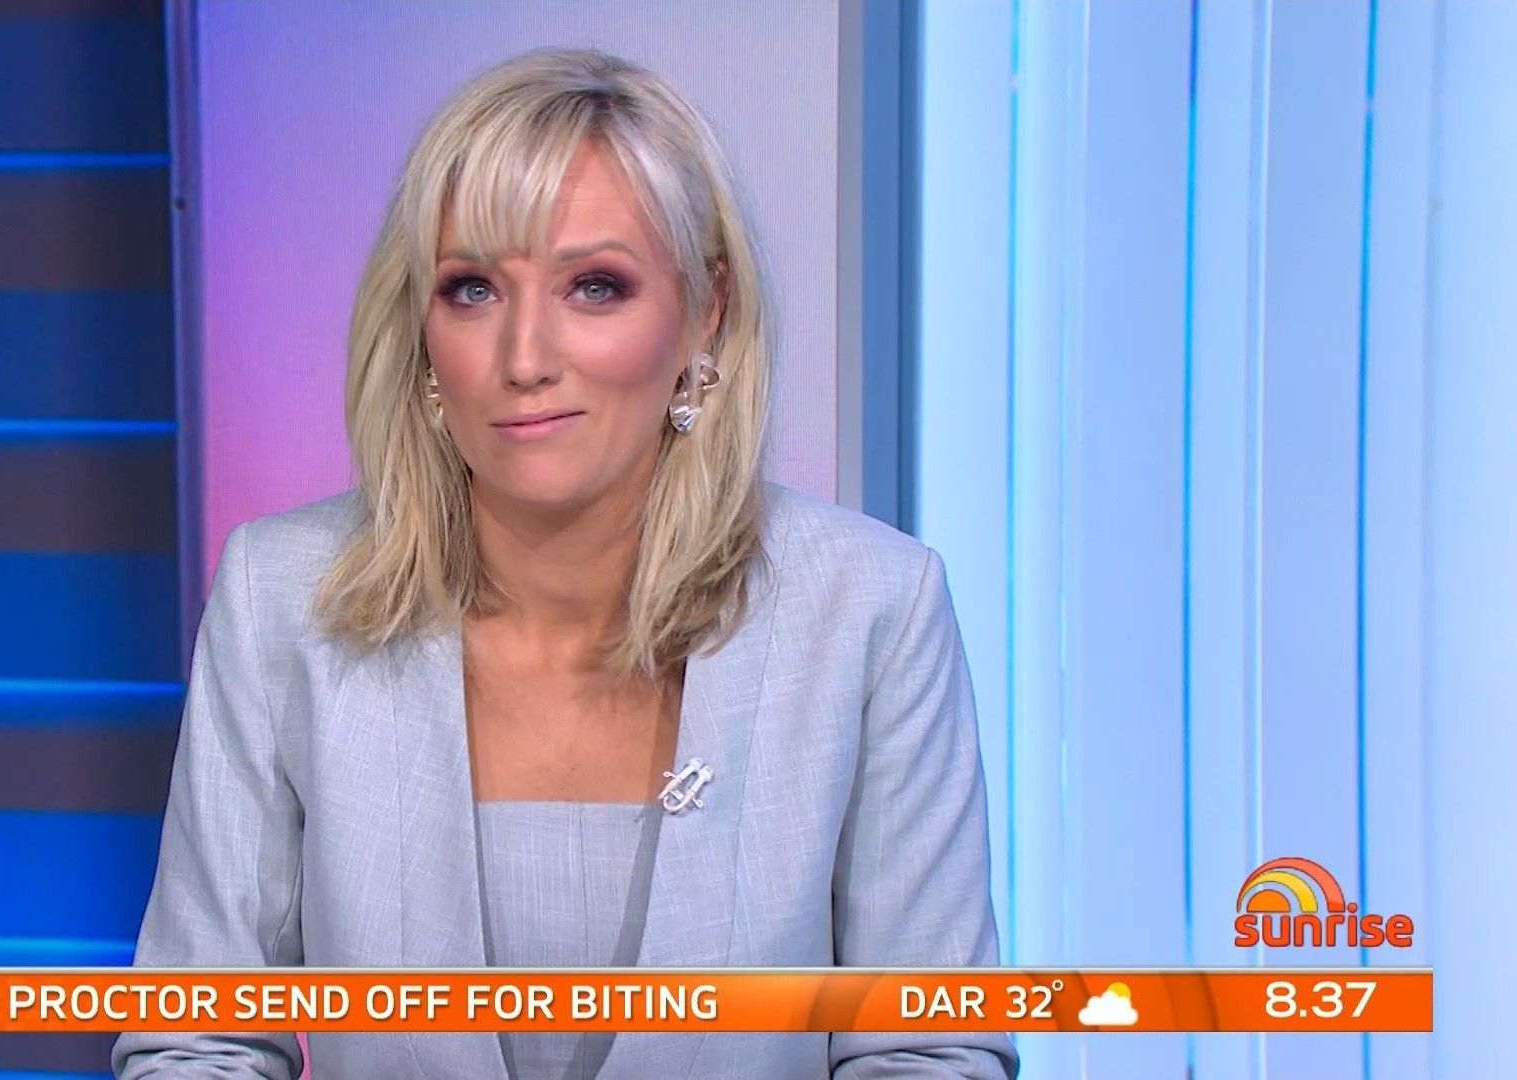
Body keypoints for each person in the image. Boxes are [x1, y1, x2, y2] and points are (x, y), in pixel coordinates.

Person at [113, 46, 1016, 1080]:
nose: (525, 358)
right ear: (420, 332)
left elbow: (928, 1047)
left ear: (706, 309)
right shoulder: (280, 597)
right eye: (472, 290)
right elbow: (199, 1037)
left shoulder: (870, 610)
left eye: (594, 287)